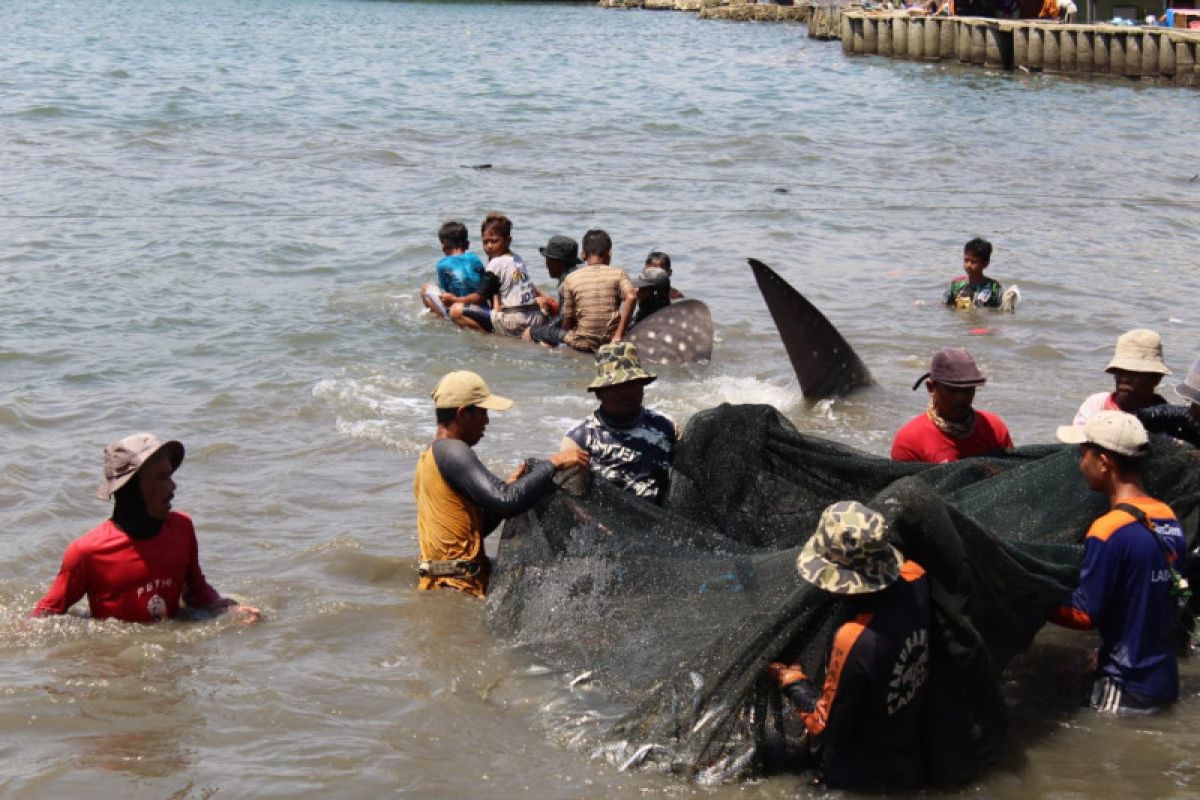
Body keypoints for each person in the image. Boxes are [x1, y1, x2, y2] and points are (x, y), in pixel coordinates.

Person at [767, 501, 931, 791]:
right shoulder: (916, 577)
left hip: (860, 780)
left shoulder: (855, 638)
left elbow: (825, 727)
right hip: (910, 762)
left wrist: (793, 683)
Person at [31, 434, 261, 624]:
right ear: (130, 487)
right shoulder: (87, 552)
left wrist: (229, 610)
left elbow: (197, 592)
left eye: (170, 475)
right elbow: (44, 617)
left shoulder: (182, 528)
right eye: (161, 478)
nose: (173, 486)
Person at [1051, 411, 1186, 713]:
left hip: (1125, 686)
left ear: (1103, 462)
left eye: (1082, 454)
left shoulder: (1108, 529)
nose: (1079, 464)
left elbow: (1085, 615)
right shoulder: (1169, 518)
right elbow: (1153, 601)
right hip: (1164, 679)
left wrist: (1030, 597)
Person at [414, 370, 588, 597]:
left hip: (442, 585)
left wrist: (511, 484)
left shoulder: (429, 456)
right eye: (483, 412)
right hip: (456, 590)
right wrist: (553, 463)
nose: (487, 421)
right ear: (462, 413)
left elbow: (475, 530)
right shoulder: (453, 450)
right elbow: (507, 500)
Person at [563, 342, 676, 505]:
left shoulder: (667, 427)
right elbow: (573, 501)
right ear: (599, 393)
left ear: (643, 387)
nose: (626, 393)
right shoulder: (580, 439)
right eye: (617, 386)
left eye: (632, 384)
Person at [891, 348, 1013, 463]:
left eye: (968, 390)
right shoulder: (910, 440)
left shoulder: (994, 429)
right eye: (952, 390)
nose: (961, 398)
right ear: (931, 388)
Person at [443, 214, 546, 337]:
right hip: (535, 318)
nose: (489, 246)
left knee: (456, 311)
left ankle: (491, 337)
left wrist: (454, 300)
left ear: (508, 241)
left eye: (494, 241)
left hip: (515, 322)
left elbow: (479, 297)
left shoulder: (496, 264)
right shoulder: (516, 258)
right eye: (485, 242)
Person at [557, 229, 637, 353]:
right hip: (609, 342)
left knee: (539, 332)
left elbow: (569, 321)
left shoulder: (571, 279)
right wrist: (618, 336)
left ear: (583, 254)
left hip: (582, 343)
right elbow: (631, 297)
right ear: (609, 253)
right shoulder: (618, 274)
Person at [1074, 329, 1170, 425]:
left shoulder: (1167, 419)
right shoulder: (1096, 406)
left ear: (1156, 378)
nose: (1124, 379)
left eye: (1133, 372)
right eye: (1120, 371)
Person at [420, 220, 486, 323]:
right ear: (467, 244)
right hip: (481, 307)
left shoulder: (442, 265)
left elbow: (445, 295)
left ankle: (442, 319)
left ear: (443, 246)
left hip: (457, 307)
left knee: (425, 288)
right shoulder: (475, 259)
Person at [525, 234, 584, 347]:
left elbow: (563, 317)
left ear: (559, 263)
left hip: (574, 334)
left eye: (548, 260)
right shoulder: (577, 275)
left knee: (532, 331)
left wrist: (540, 329)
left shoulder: (566, 283)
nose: (546, 265)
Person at [1138, 356, 1200, 448]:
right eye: (1193, 403)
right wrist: (1138, 415)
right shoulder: (1192, 419)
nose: (1192, 411)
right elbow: (1174, 413)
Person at [943, 238, 1002, 310]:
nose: (968, 265)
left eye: (974, 261)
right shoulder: (956, 285)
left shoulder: (993, 287)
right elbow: (945, 307)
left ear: (985, 263)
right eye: (966, 260)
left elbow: (999, 311)